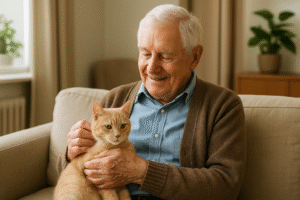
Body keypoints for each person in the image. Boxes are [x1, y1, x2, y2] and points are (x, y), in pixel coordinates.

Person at [64, 4, 246, 200]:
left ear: (195, 57)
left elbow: (226, 185)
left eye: (165, 56)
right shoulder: (115, 100)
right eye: (145, 54)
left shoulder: (223, 105)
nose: (151, 68)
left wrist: (142, 172)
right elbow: (73, 175)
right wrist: (72, 152)